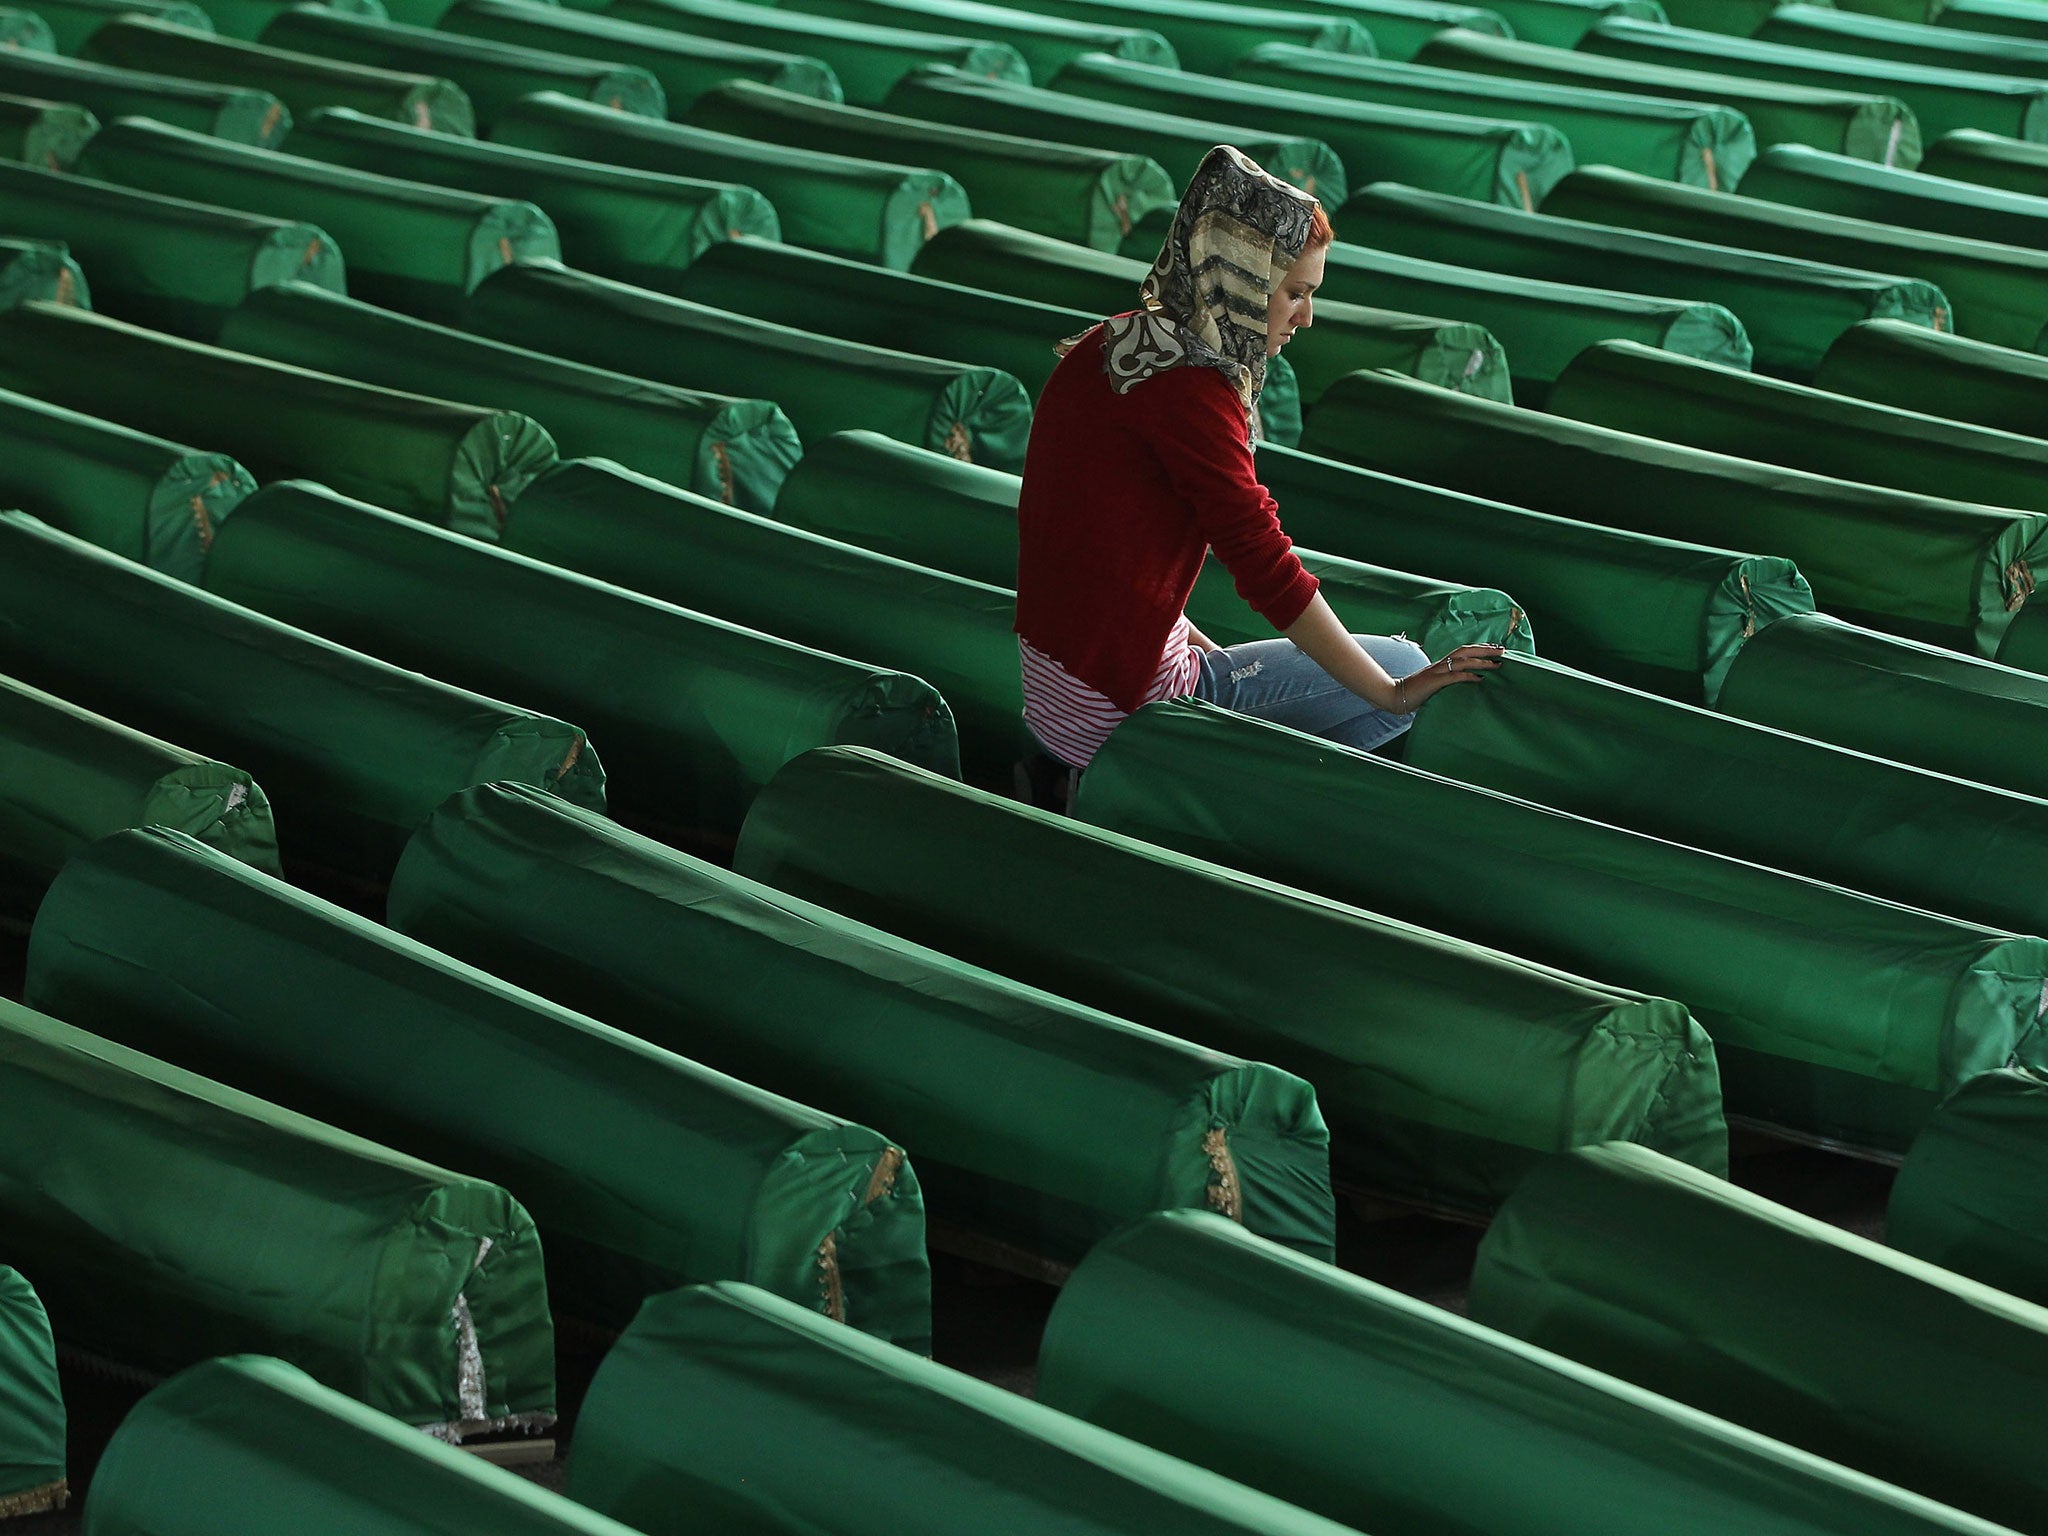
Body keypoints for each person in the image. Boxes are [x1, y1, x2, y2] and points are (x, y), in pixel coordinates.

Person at [1012, 144, 1505, 809]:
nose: (1306, 317)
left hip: (1057, 691)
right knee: (1406, 668)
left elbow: (1106, 544)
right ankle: (1174, 796)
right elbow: (1263, 561)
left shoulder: (1122, 341)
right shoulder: (1193, 390)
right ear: (1239, 283)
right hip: (1121, 709)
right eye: (1295, 293)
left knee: (1340, 675)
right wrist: (1393, 692)